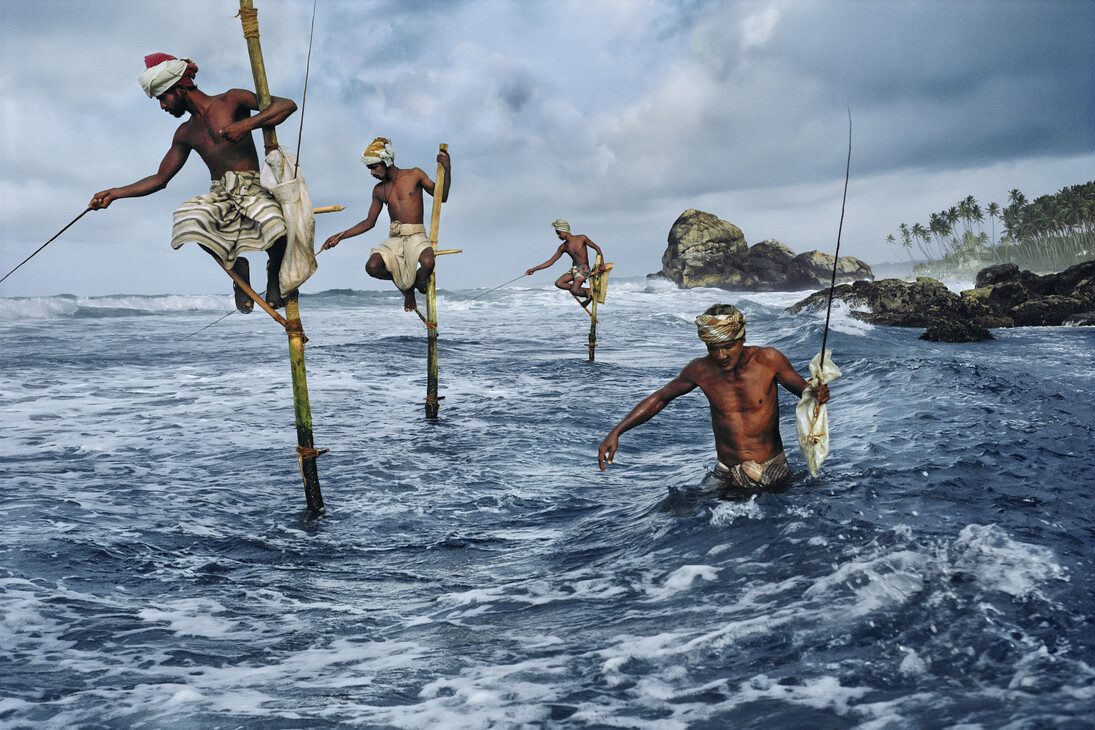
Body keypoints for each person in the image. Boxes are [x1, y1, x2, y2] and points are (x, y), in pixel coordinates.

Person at [89, 54, 298, 313]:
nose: (163, 107)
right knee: (187, 219)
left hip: (252, 187)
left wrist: (247, 125)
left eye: (163, 98)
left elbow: (286, 105)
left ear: (179, 89)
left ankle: (273, 273)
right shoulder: (185, 133)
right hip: (220, 194)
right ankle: (237, 268)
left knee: (276, 226)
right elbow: (160, 179)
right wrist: (114, 194)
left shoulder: (231, 100)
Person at [597, 304, 831, 493]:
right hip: (726, 471)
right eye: (712, 348)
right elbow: (660, 398)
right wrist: (616, 431)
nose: (721, 355)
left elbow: (805, 391)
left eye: (728, 347)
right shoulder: (699, 370)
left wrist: (818, 392)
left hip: (771, 468)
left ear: (742, 340)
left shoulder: (769, 360)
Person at [320, 137, 452, 312]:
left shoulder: (414, 174)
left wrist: (447, 171)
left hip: (416, 234)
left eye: (374, 167)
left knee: (428, 263)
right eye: (370, 168)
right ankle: (408, 289)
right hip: (395, 237)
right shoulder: (378, 190)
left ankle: (413, 286)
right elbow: (369, 222)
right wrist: (338, 237)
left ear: (387, 161)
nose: (372, 173)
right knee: (372, 267)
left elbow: (441, 197)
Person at [525, 219, 604, 307]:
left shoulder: (581, 238)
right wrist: (533, 269)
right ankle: (586, 291)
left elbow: (597, 248)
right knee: (559, 283)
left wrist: (602, 264)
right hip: (574, 270)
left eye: (559, 233)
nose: (558, 236)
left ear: (565, 230)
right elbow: (551, 261)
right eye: (557, 234)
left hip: (583, 269)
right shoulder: (563, 247)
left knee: (574, 291)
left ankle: (586, 294)